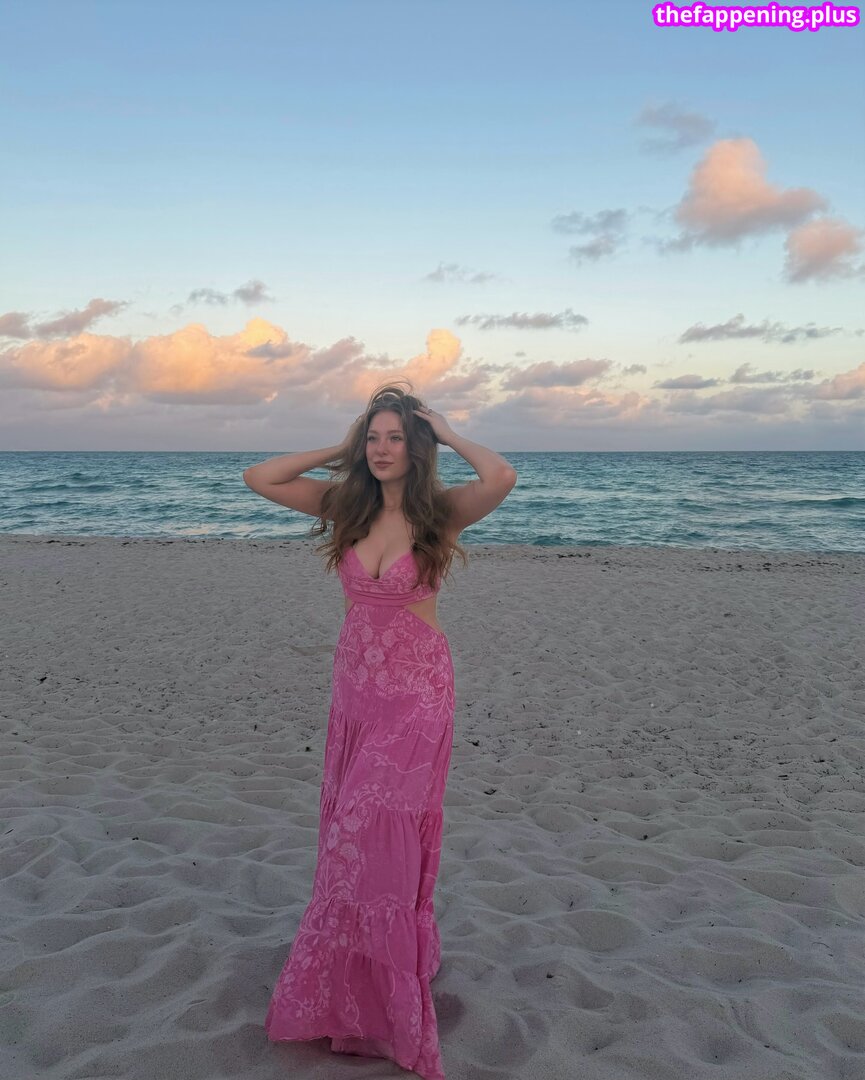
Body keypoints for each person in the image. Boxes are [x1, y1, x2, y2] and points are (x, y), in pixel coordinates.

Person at [243, 381, 517, 1079]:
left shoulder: (440, 514)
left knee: (365, 831)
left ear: (416, 447)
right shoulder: (347, 505)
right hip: (356, 696)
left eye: (396, 437)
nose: (382, 449)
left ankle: (387, 993)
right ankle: (353, 987)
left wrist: (447, 432)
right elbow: (259, 476)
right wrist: (340, 448)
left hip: (417, 696)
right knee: (348, 838)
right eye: (374, 437)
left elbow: (501, 476)